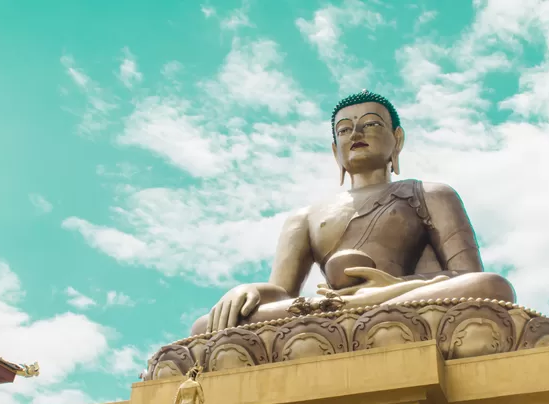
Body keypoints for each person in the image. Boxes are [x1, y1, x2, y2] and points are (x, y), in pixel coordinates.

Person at [192, 90, 514, 335]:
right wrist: (248, 291)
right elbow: (283, 295)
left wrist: (391, 287)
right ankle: (352, 312)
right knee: (207, 326)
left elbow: (468, 278)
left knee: (492, 287)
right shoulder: (304, 217)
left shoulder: (431, 194)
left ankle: (356, 310)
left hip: (399, 301)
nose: (356, 134)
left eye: (370, 124)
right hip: (329, 309)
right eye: (345, 130)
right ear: (336, 150)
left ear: (397, 140)